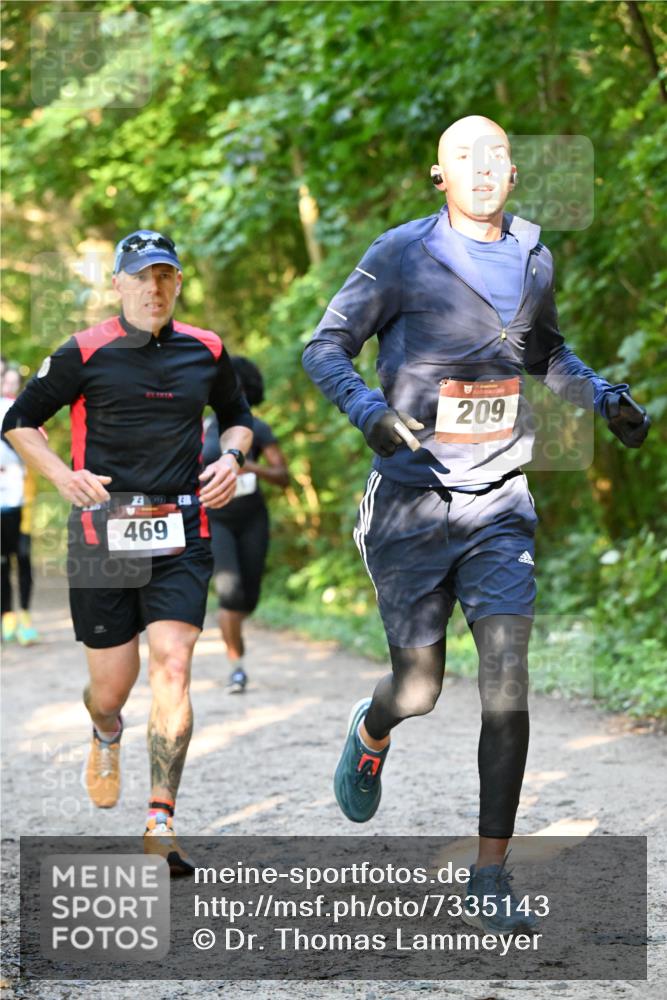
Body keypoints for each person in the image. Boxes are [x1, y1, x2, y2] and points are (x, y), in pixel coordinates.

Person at [302, 116, 650, 933]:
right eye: (464, 155)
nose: (481, 166)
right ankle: (374, 724)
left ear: (514, 172)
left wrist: (601, 397)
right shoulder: (399, 254)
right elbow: (324, 347)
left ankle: (488, 873)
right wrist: (369, 414)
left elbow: (545, 354)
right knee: (420, 687)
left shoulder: (532, 257)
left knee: (505, 677)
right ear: (439, 174)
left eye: (494, 154)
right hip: (411, 504)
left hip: (498, 501)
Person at [3, 230, 253, 875]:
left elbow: (237, 414)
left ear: (177, 282)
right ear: (117, 283)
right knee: (111, 690)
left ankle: (160, 822)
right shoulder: (83, 351)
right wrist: (63, 478)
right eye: (141, 277)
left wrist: (231, 456)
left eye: (165, 276)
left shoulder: (208, 348)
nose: (154, 288)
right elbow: (19, 422)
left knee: (173, 664)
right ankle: (105, 731)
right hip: (102, 535)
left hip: (182, 531)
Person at [202, 356, 289, 693]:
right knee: (229, 592)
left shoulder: (258, 427)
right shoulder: (203, 428)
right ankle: (236, 666)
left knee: (248, 598)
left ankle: (235, 631)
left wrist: (251, 468)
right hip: (215, 518)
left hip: (252, 517)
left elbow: (283, 476)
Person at [1, 367, 39, 645]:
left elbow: (38, 450)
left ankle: (24, 616)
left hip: (22, 500)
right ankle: (7, 617)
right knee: (2, 562)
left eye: (15, 383)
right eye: (6, 381)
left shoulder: (26, 412)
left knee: (23, 558)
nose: (9, 387)